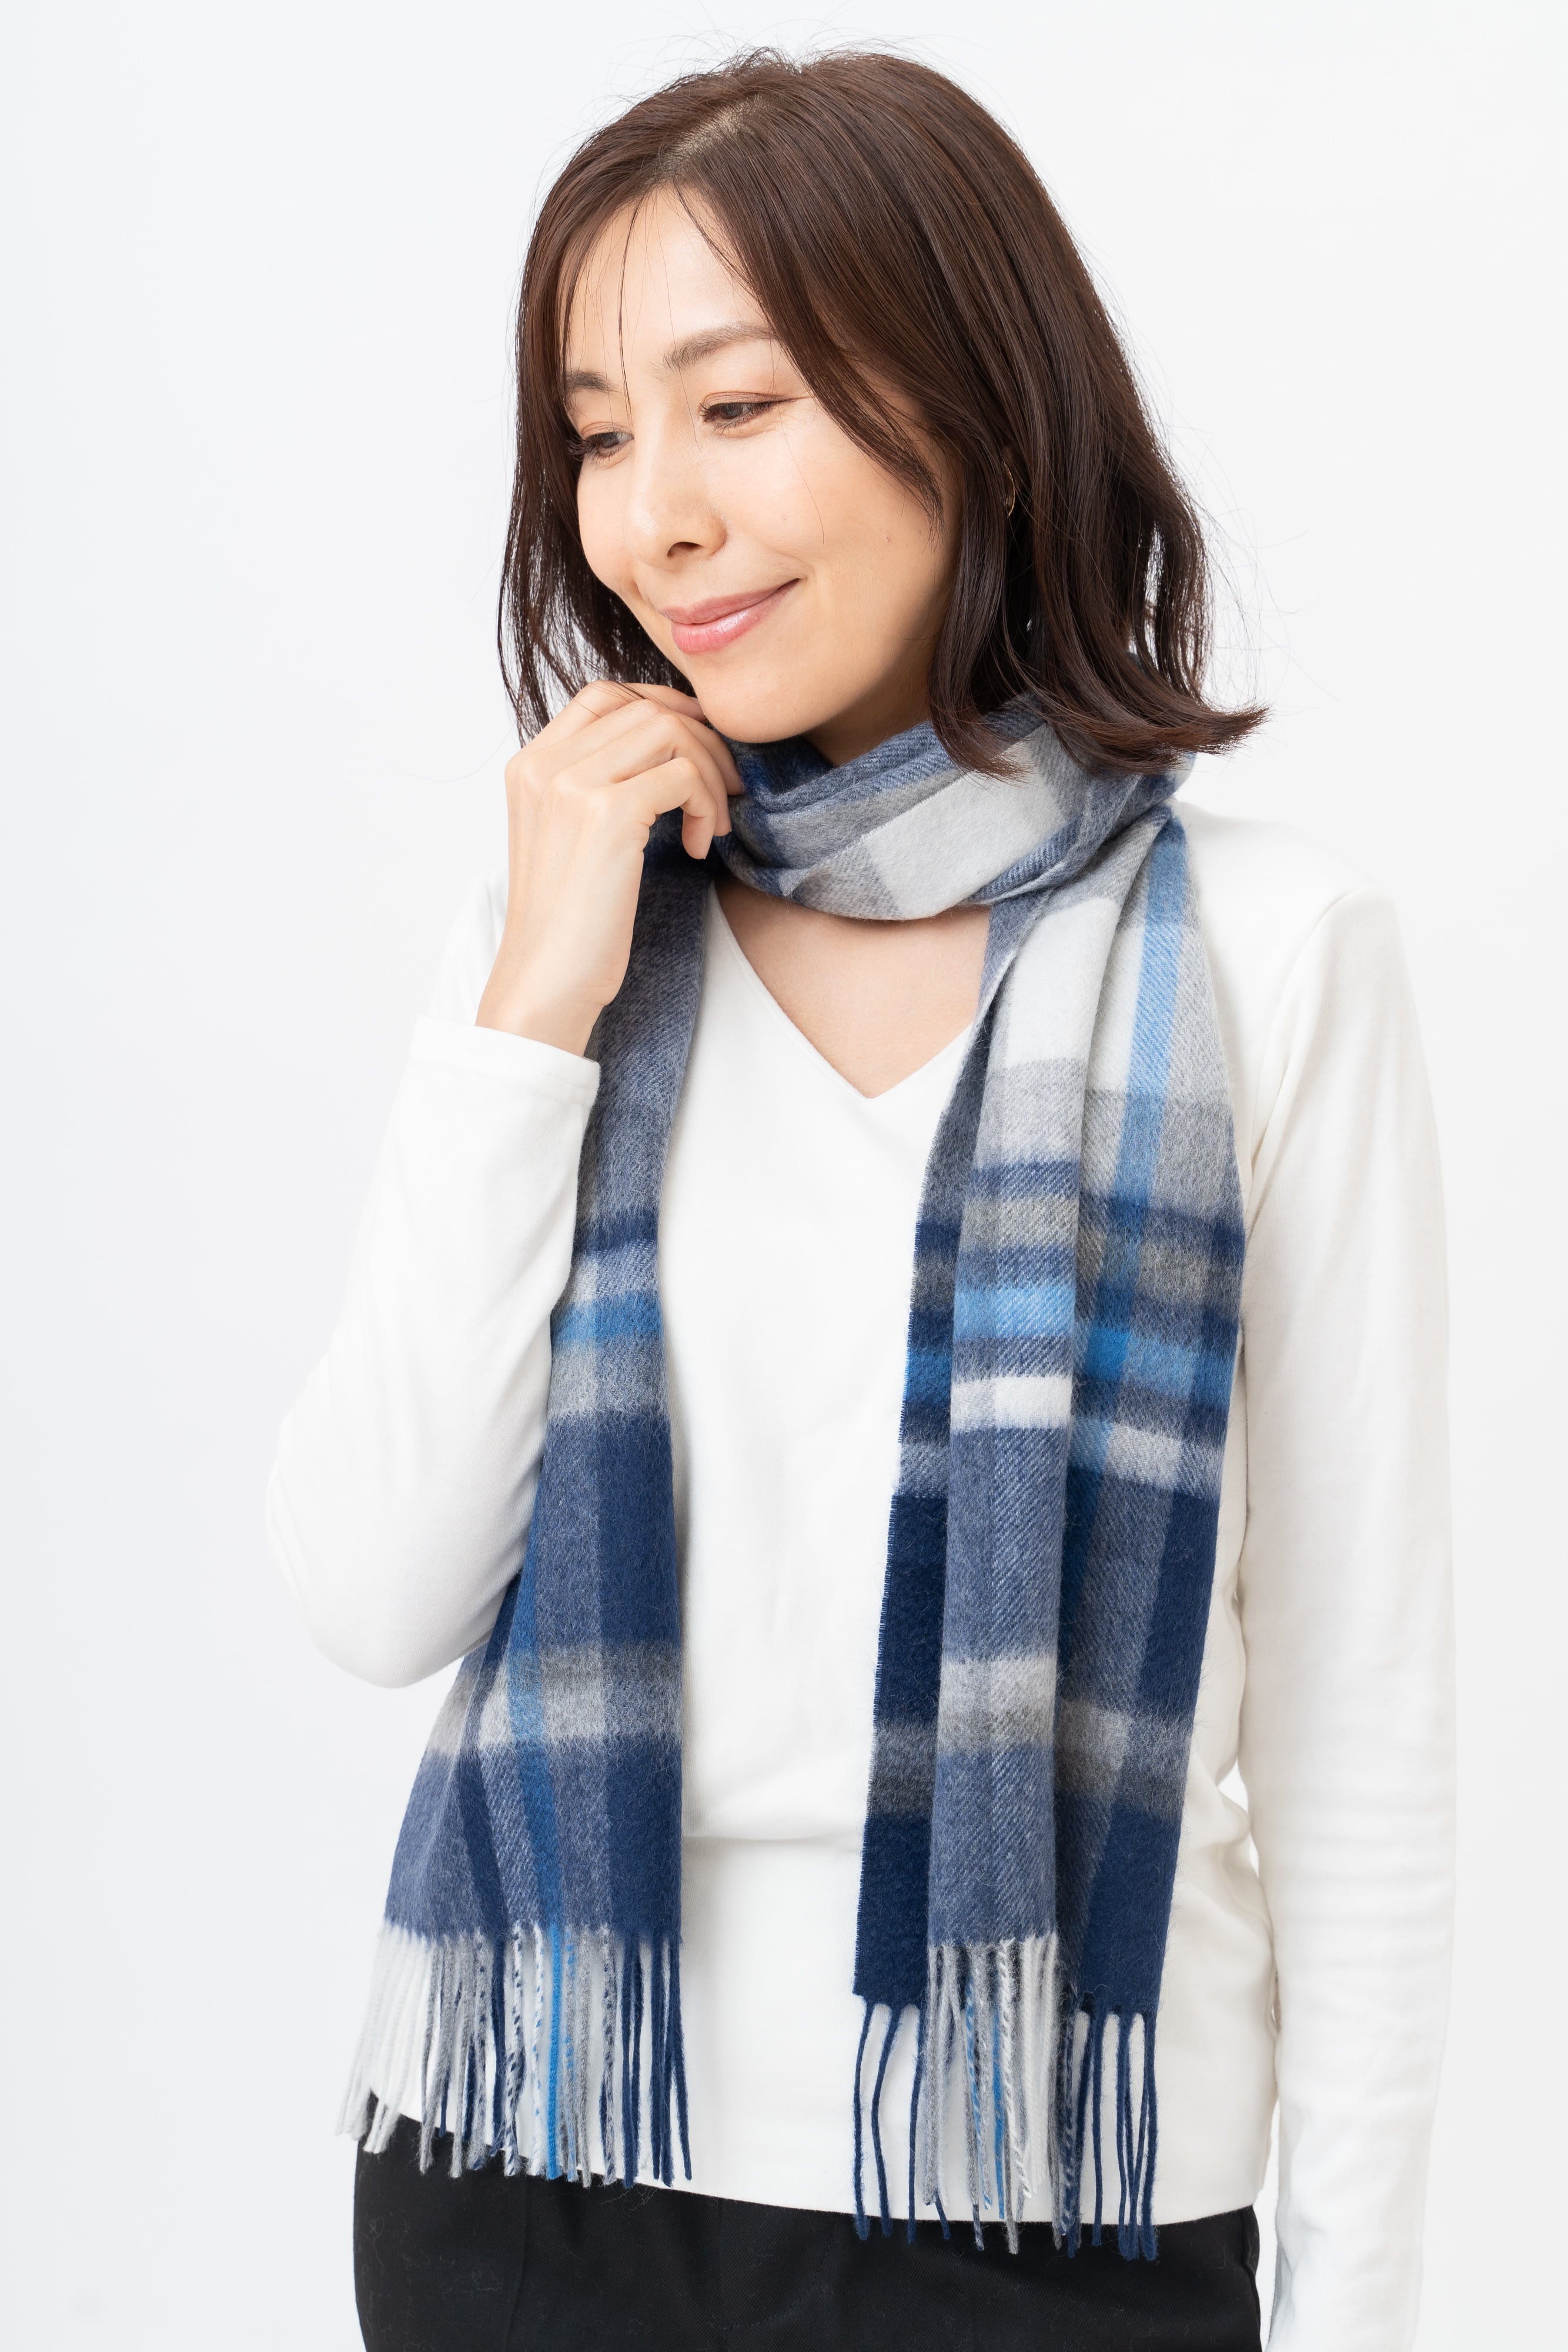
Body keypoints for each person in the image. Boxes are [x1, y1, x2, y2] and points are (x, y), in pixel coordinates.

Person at [268, 49, 1453, 2352]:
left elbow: (1357, 1720)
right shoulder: (567, 943)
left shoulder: (1269, 955)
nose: (654, 517)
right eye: (598, 434)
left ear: (977, 416)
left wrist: (1363, 2307)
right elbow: (374, 1587)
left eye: (737, 407)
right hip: (534, 2177)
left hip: (1061, 2205)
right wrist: (525, 1006)